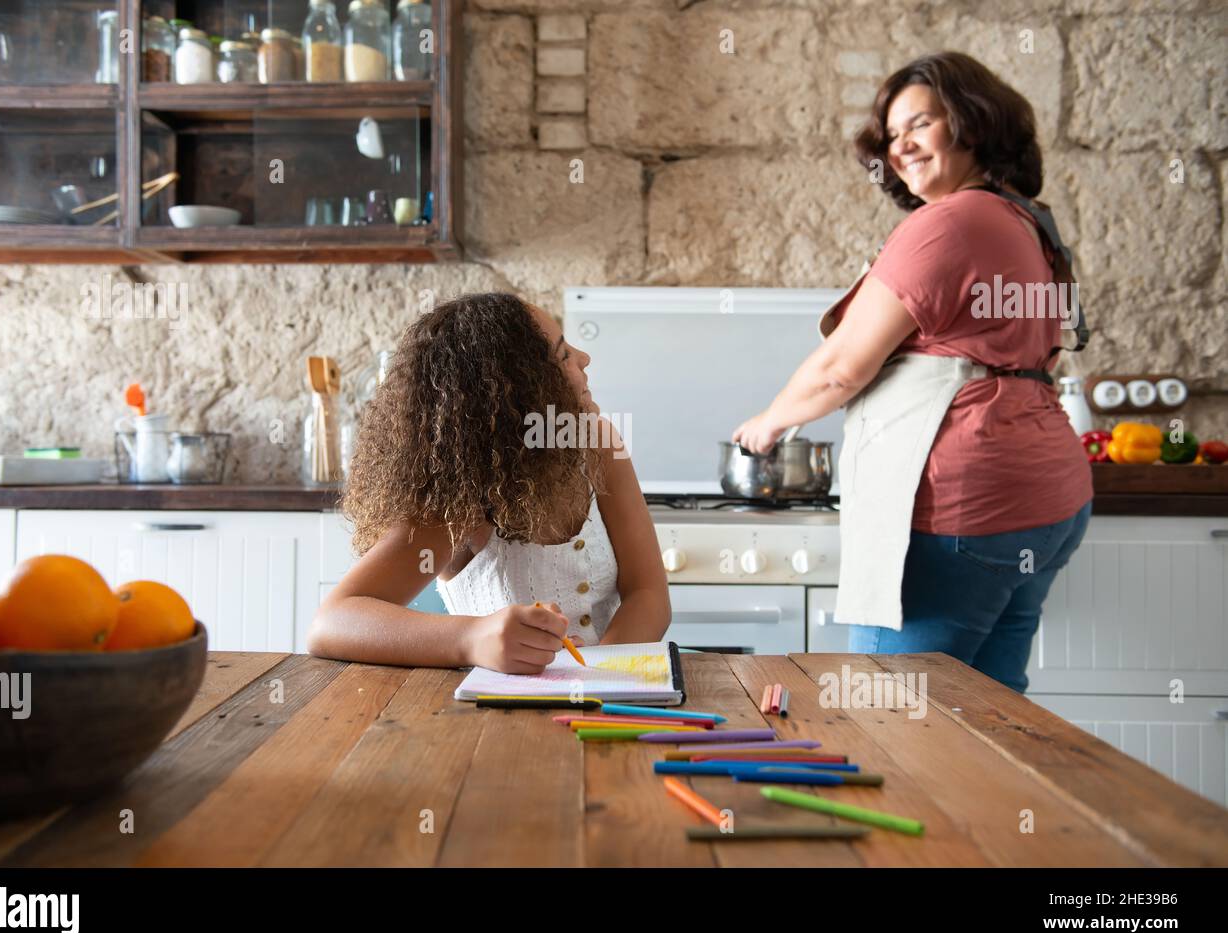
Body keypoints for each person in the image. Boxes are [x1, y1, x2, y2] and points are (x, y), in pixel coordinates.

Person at [732, 52, 1092, 693]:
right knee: (994, 708)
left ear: (971, 123)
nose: (902, 147)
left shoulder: (950, 223)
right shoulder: (1030, 224)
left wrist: (767, 424)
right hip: (1047, 501)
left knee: (890, 710)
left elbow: (842, 366)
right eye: (892, 137)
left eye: (919, 125)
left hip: (965, 509)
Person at [308, 292, 670, 674]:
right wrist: (471, 639)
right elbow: (331, 623)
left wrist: (598, 670)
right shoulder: (461, 493)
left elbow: (648, 594)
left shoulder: (598, 443)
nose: (584, 358)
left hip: (609, 698)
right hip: (496, 720)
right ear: (524, 391)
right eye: (563, 355)